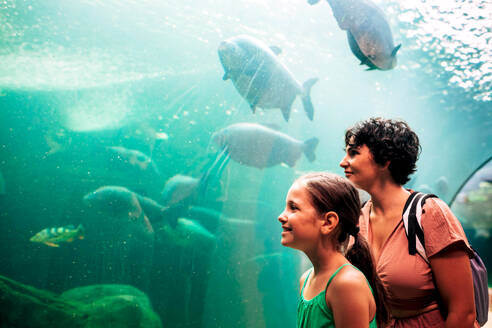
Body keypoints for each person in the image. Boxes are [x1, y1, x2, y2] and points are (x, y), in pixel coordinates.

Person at [339, 117, 478, 327]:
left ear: (385, 160)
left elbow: (463, 313)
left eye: (354, 153)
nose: (343, 162)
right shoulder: (357, 217)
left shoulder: (429, 214)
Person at [278, 172, 390, 327]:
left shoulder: (346, 284)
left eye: (293, 208)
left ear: (328, 222)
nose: (281, 216)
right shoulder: (306, 280)